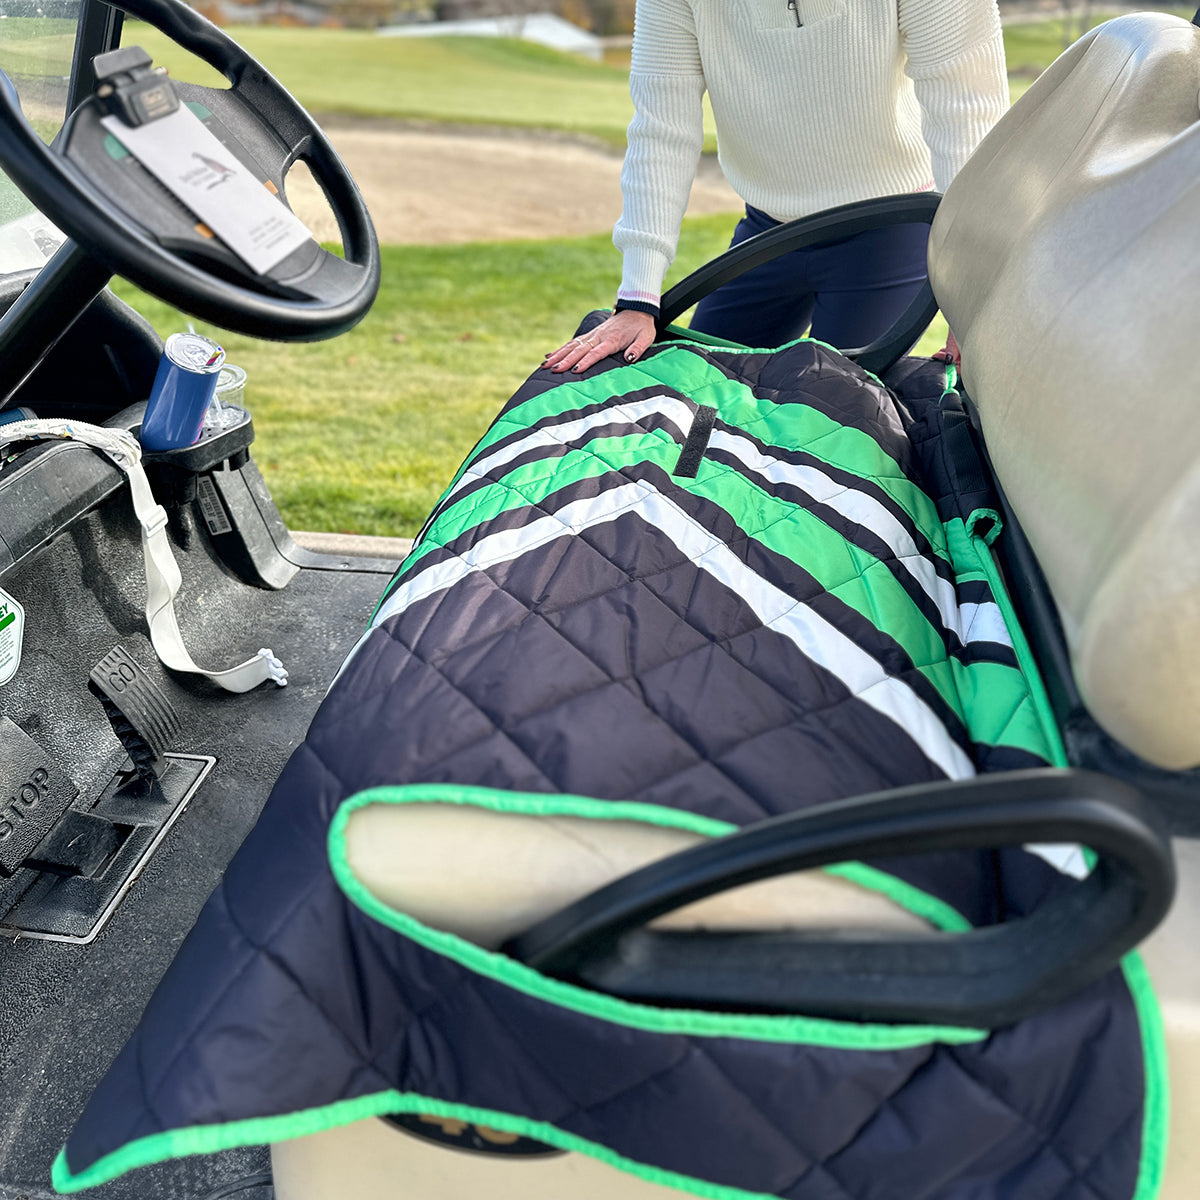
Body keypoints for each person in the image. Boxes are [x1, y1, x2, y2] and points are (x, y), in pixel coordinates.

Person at [544, 0, 1007, 374]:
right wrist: (637, 299)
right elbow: (661, 129)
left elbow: (966, 112)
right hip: (766, 233)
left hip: (886, 232)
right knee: (703, 399)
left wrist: (968, 294)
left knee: (836, 426)